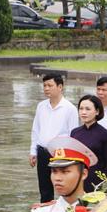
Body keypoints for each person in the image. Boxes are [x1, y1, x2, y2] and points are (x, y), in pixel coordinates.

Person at [29, 73, 78, 203]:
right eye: (44, 85)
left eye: (50, 85)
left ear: (60, 87)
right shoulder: (41, 106)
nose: (46, 88)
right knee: (44, 187)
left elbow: (73, 134)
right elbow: (36, 129)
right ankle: (46, 211)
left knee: (63, 185)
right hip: (42, 150)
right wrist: (33, 151)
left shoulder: (70, 109)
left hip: (60, 153)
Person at [71, 94, 107, 192]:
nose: (83, 112)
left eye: (87, 109)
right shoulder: (75, 132)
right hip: (77, 178)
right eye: (81, 109)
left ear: (97, 111)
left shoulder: (105, 134)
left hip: (96, 181)